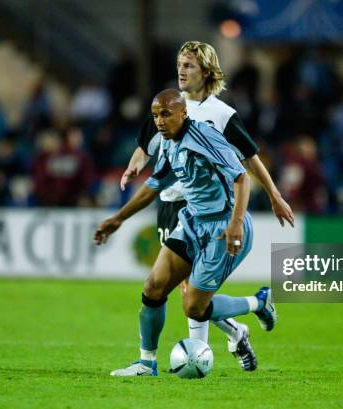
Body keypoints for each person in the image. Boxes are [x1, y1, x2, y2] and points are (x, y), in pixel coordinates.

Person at [120, 41, 294, 371]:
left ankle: (196, 357)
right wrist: (134, 166)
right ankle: (238, 328)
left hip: (207, 209)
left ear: (207, 72)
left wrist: (274, 194)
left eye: (188, 66)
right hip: (172, 206)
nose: (181, 71)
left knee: (191, 293)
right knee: (184, 292)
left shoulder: (221, 114)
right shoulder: (169, 104)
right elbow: (146, 145)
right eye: (179, 65)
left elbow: (249, 158)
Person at [95, 89, 277, 376]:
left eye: (166, 114)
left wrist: (235, 223)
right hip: (192, 222)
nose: (159, 121)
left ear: (183, 113)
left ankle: (257, 302)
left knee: (193, 306)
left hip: (223, 227)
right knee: (153, 288)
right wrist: (118, 218)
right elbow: (154, 185)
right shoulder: (168, 143)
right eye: (155, 115)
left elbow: (242, 178)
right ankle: (146, 363)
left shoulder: (205, 138)